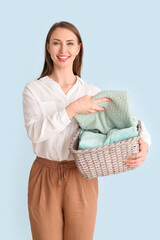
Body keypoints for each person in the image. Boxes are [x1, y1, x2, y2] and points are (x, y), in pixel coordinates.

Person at [22, 21, 151, 240]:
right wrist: (72, 109)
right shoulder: (34, 90)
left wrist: (145, 142)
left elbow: (125, 120)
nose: (63, 50)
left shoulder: (90, 91)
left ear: (78, 48)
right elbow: (35, 133)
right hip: (44, 174)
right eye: (57, 43)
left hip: (82, 175)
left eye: (70, 43)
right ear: (48, 47)